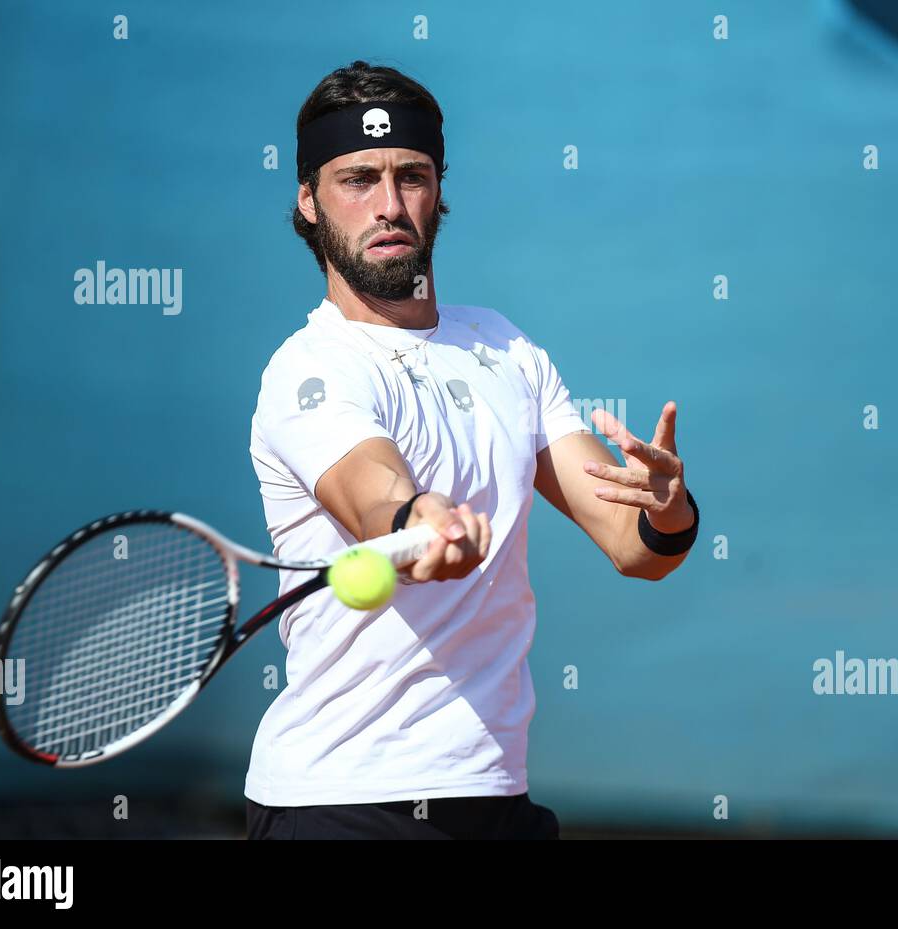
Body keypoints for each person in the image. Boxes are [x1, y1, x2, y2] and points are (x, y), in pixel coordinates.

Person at [244, 60, 699, 839]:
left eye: (411, 177)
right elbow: (370, 493)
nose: (389, 206)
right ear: (308, 201)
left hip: (495, 799)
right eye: (358, 180)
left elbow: (636, 550)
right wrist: (421, 524)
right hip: (341, 807)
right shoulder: (309, 369)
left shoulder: (506, 348)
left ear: (439, 190)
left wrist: (667, 507)